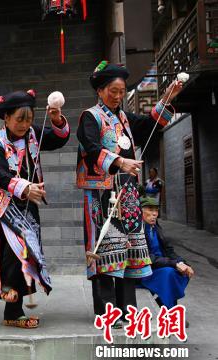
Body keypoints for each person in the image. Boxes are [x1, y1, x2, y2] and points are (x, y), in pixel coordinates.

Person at [76, 61, 184, 327]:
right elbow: (90, 147)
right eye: (113, 90)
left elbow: (149, 126)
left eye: (122, 91)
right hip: (101, 193)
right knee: (104, 250)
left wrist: (166, 99)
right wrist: (119, 162)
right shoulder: (90, 117)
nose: (118, 95)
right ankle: (106, 312)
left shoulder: (124, 118)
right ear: (100, 91)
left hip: (128, 193)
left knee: (128, 250)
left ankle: (127, 310)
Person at [0, 89, 70, 328]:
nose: (24, 124)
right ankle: (12, 309)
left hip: (29, 205)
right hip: (6, 206)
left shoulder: (33, 134)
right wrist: (26, 188)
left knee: (28, 254)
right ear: (6, 118)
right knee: (14, 255)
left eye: (28, 119)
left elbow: (59, 138)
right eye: (19, 119)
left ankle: (14, 310)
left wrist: (57, 118)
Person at [139, 197, 193, 308]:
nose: (154, 214)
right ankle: (170, 309)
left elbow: (169, 250)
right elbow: (147, 257)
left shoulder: (156, 228)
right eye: (150, 209)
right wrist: (174, 264)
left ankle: (167, 303)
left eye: (156, 210)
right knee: (169, 273)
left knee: (184, 271)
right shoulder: (138, 230)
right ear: (140, 211)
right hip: (146, 269)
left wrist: (182, 262)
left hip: (161, 264)